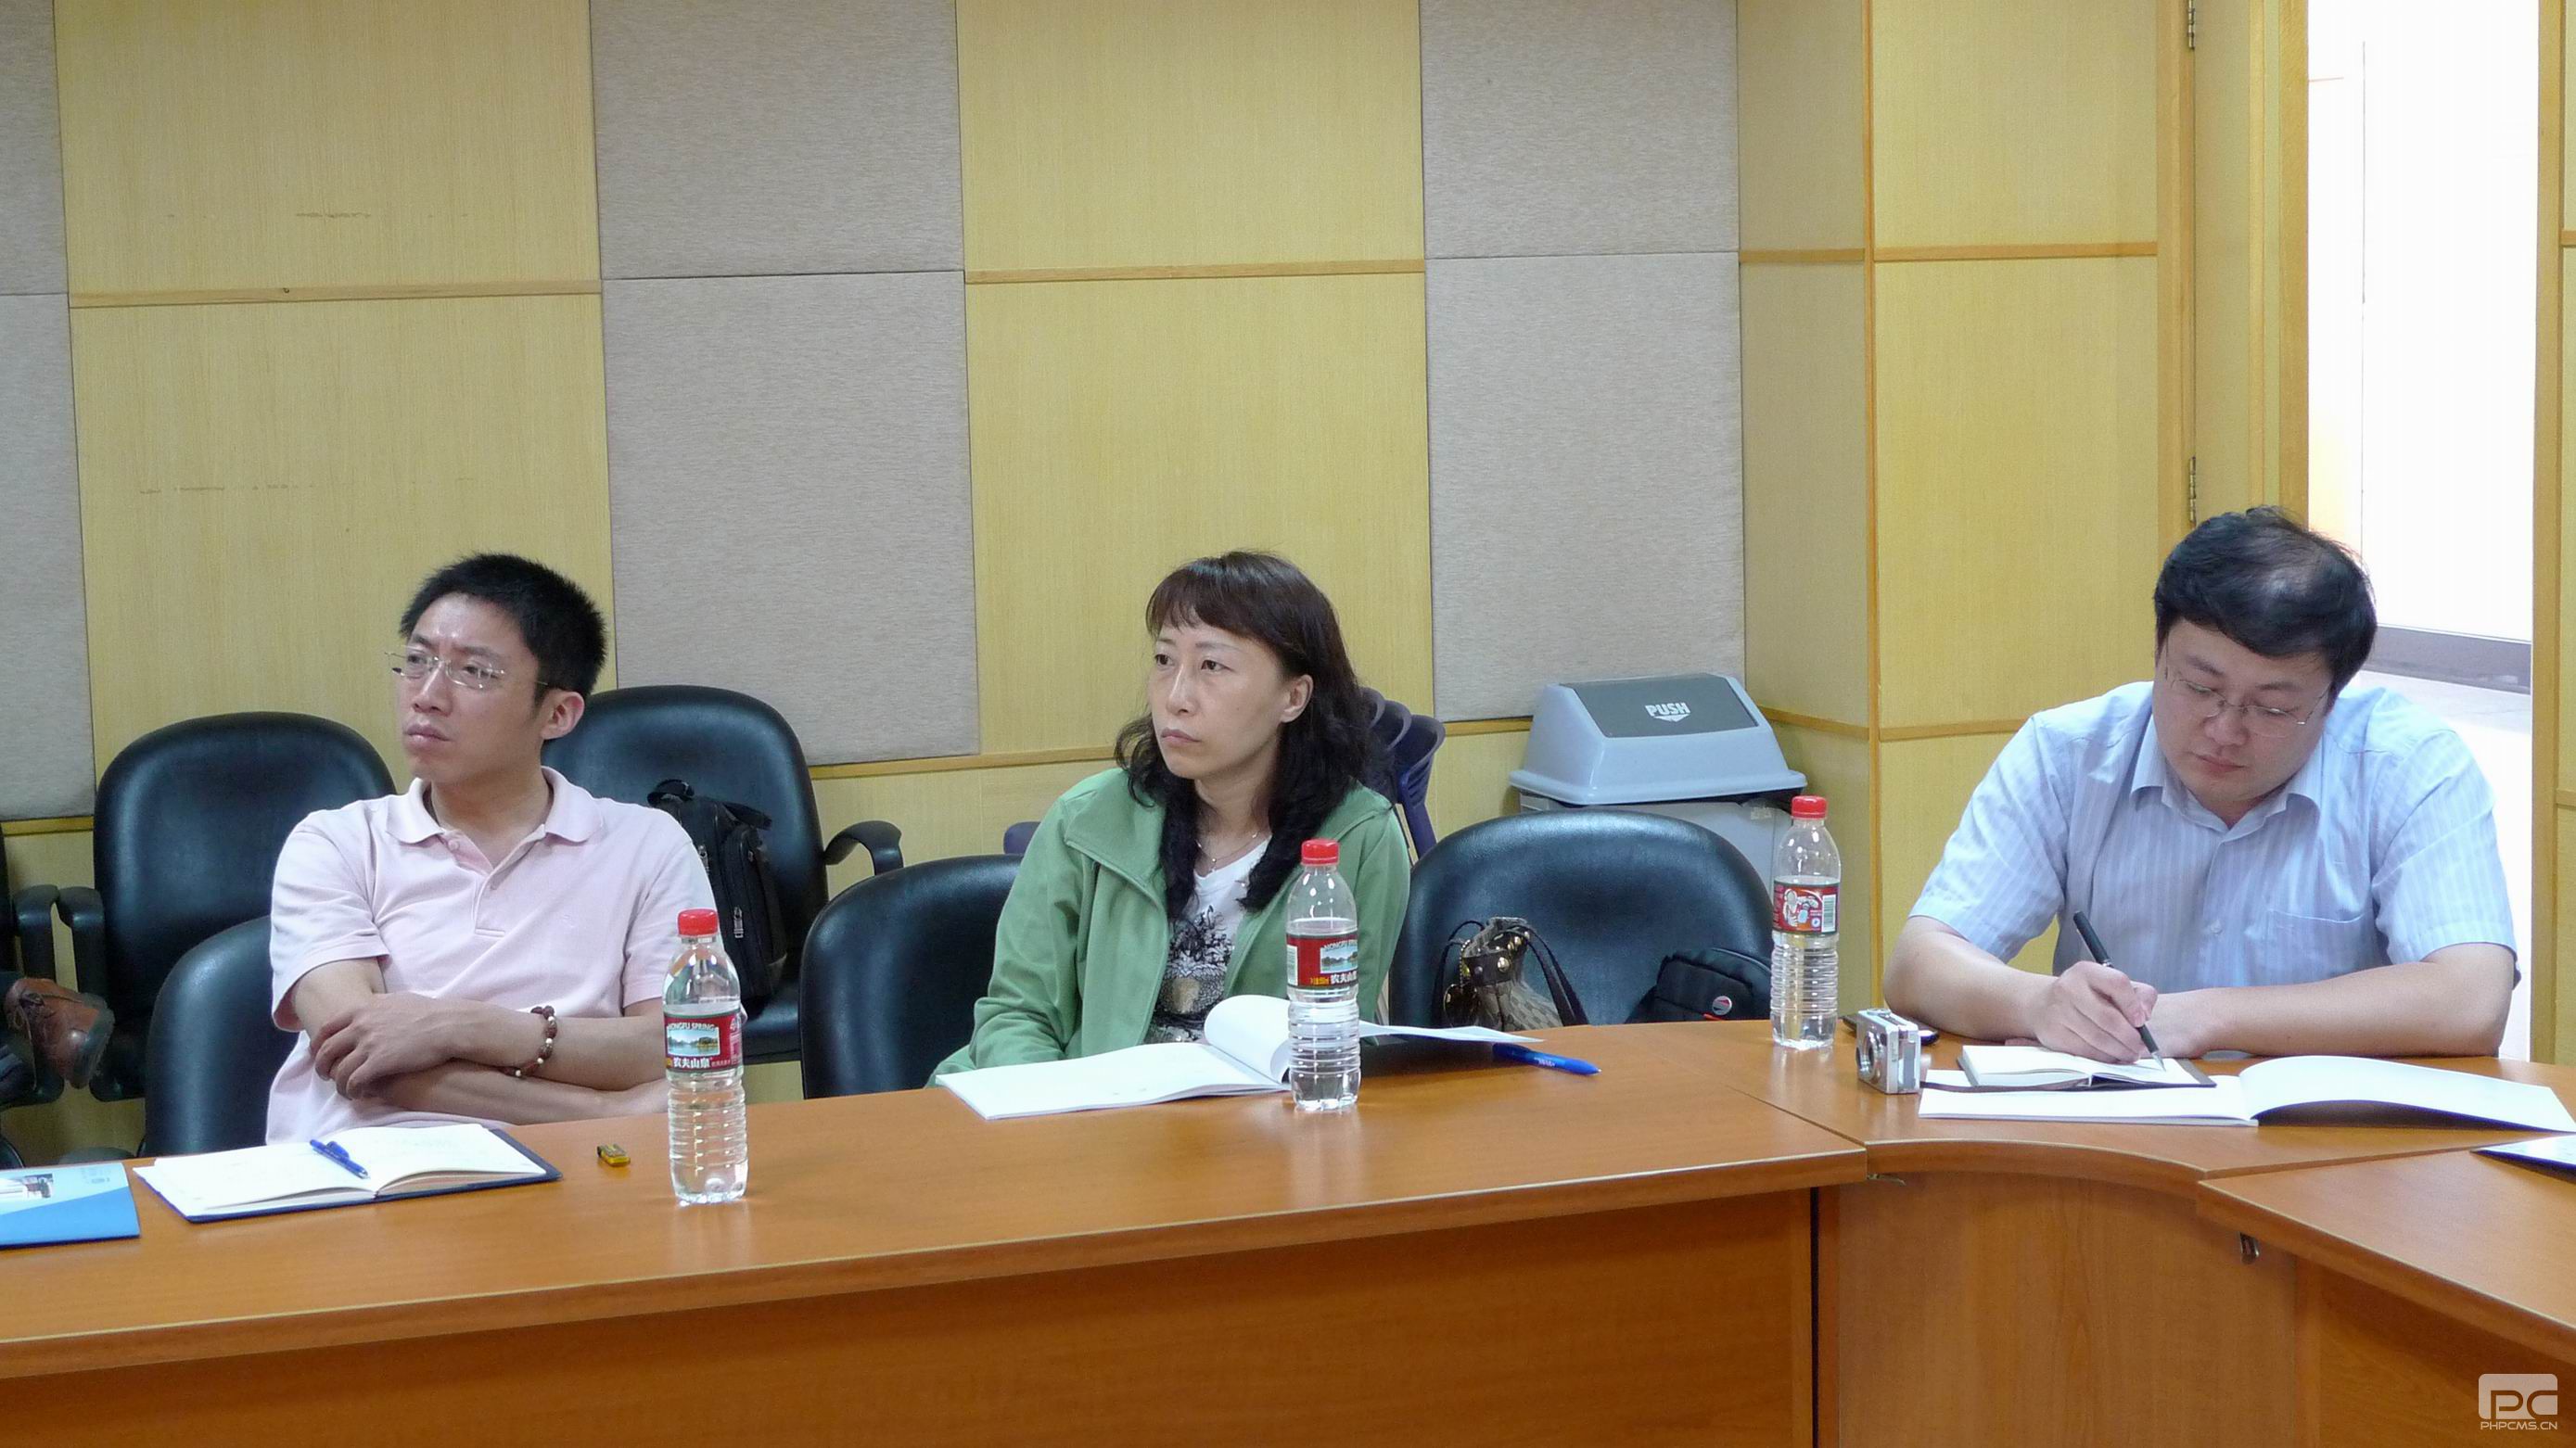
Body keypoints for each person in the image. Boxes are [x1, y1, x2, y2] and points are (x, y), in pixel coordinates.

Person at [1885, 507, 2516, 1061]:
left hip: (2326, 1137)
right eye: (2199, 686)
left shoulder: (2408, 765)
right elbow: (1921, 963)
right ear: (2159, 652)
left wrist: (2207, 1016)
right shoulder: (2069, 753)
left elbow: (2471, 998)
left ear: (2333, 699)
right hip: (2116, 1128)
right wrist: (2039, 1003)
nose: (2224, 728)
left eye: (2272, 707)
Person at [264, 555, 714, 1143]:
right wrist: (605, 1112)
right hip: (367, 1166)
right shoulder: (335, 843)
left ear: (558, 713)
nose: (427, 696)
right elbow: (359, 1056)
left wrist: (461, 1026)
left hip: (579, 1171)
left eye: (474, 672)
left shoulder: (647, 844)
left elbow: (685, 1043)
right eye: (417, 661)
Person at [936, 552, 1411, 1073]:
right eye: (1164, 660)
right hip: (1087, 1107)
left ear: (1293, 697)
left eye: (1212, 666)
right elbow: (1018, 1016)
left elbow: (1337, 1036)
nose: (1176, 697)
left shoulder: (1359, 837)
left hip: (1256, 1117)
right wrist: (1062, 1114)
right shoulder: (1085, 821)